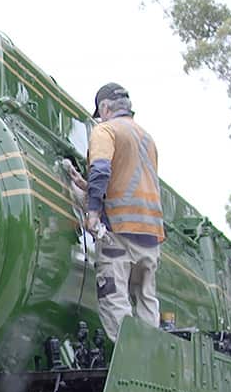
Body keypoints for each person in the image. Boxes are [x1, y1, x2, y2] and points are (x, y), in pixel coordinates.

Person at [65, 82, 165, 341]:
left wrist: (94, 212)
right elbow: (128, 180)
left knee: (114, 298)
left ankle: (131, 363)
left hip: (120, 231)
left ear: (105, 107)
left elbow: (101, 169)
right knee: (146, 300)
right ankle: (149, 357)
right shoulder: (147, 138)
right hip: (151, 234)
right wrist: (86, 186)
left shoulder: (105, 130)